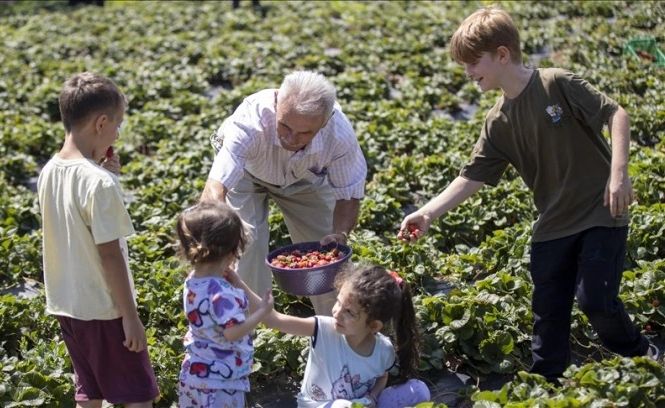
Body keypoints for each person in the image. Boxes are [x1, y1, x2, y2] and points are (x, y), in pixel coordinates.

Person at [398, 6, 658, 383]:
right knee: (547, 311)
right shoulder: (497, 121)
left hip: (601, 210)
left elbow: (616, 115)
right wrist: (427, 212)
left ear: (502, 55)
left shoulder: (556, 83)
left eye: (473, 63)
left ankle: (639, 352)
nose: (468, 73)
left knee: (595, 300)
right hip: (553, 223)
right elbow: (471, 177)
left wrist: (619, 175)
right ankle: (546, 382)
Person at [200, 70, 368, 316]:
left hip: (305, 178)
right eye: (284, 126)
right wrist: (220, 228)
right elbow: (215, 187)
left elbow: (349, 195)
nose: (291, 139)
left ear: (325, 121)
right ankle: (247, 323)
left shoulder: (339, 134)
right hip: (247, 173)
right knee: (246, 242)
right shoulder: (250, 121)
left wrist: (340, 233)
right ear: (277, 102)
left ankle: (336, 328)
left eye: (304, 133)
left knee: (326, 251)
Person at [37, 72, 159, 407]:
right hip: (106, 309)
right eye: (118, 123)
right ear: (101, 122)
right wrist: (130, 318)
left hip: (68, 306)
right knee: (139, 396)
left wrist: (106, 172)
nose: (118, 131)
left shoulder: (49, 170)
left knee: (89, 392)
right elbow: (110, 256)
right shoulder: (99, 184)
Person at [226, 263, 431, 407]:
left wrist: (373, 396)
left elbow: (382, 376)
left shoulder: (384, 350)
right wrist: (237, 283)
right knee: (343, 406)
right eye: (339, 302)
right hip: (321, 405)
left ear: (374, 325)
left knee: (419, 391)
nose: (337, 313)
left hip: (361, 403)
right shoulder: (323, 330)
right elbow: (273, 320)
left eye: (349, 312)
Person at [176, 200, 275, 407]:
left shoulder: (192, 281)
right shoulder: (223, 293)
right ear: (233, 252)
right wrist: (261, 312)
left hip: (194, 373)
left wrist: (238, 283)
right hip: (221, 381)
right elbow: (232, 332)